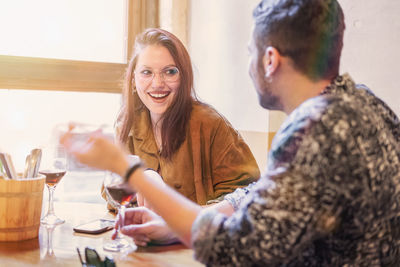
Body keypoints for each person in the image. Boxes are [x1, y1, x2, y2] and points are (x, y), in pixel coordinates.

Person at [62, 0, 400, 265]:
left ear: (270, 60)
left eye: (250, 51)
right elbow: (256, 198)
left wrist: (129, 169)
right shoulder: (367, 104)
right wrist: (173, 227)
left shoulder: (314, 130)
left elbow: (237, 251)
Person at [103, 28, 260, 209]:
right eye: (147, 72)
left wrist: (186, 220)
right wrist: (143, 176)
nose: (157, 84)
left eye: (170, 72)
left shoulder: (211, 124)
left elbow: (250, 196)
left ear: (184, 77)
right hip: (144, 235)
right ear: (133, 79)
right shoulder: (127, 123)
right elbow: (111, 189)